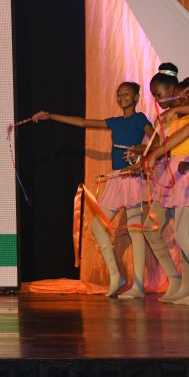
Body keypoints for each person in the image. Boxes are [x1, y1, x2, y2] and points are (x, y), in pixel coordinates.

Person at [32, 81, 180, 298]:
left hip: (132, 179)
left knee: (135, 230)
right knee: (97, 226)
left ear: (136, 98)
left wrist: (140, 150)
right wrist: (50, 116)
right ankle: (116, 276)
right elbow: (82, 122)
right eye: (119, 94)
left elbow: (157, 142)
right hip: (116, 179)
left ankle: (138, 285)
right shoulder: (115, 122)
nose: (122, 97)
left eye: (127, 94)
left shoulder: (140, 119)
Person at [137, 63, 189, 302]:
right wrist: (147, 155)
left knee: (183, 234)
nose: (159, 101)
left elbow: (178, 138)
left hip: (183, 174)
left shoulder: (179, 114)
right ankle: (179, 282)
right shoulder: (171, 119)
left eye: (160, 95)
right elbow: (162, 145)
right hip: (171, 176)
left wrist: (156, 153)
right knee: (161, 229)